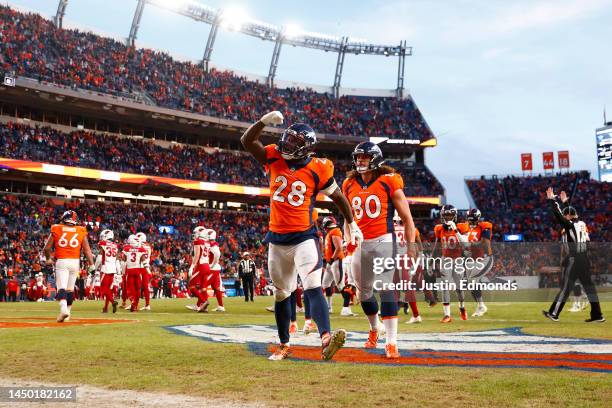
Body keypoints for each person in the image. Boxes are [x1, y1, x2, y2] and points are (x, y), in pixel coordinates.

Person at [241, 110, 362, 361]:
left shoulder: (319, 167)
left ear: (305, 148)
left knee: (313, 286)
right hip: (276, 239)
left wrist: (353, 224)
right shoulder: (274, 155)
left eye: (295, 142)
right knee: (282, 293)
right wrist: (262, 122)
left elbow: (338, 197)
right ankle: (285, 344)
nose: (287, 144)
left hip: (304, 237)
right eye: (287, 138)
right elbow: (247, 141)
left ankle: (326, 339)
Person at [342, 141, 416, 359]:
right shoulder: (348, 183)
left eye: (364, 157)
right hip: (360, 241)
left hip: (384, 239)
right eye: (357, 157)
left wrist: (411, 247)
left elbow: (408, 219)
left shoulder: (389, 180)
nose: (360, 161)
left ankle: (391, 342)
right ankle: (375, 328)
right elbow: (347, 219)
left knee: (385, 287)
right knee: (363, 292)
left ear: (375, 158)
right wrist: (348, 240)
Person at [543, 188, 605, 323]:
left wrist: (553, 200)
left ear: (569, 217)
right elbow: (569, 215)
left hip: (575, 258)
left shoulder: (570, 225)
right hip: (584, 258)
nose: (566, 218)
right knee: (590, 288)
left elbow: (560, 216)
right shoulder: (582, 223)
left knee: (566, 287)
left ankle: (554, 313)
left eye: (567, 216)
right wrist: (565, 203)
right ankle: (597, 315)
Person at [43, 210, 95, 322]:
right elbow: (87, 250)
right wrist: (92, 265)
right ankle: (68, 313)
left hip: (62, 261)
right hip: (75, 262)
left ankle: (63, 310)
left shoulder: (57, 228)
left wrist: (48, 259)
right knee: (70, 289)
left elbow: (47, 248)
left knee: (61, 287)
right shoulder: (81, 230)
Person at [432, 205, 468, 323]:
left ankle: (462, 307)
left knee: (459, 288)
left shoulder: (462, 227)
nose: (448, 218)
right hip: (445, 259)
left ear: (454, 216)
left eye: (450, 215)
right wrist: (432, 260)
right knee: (445, 286)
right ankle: (447, 315)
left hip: (458, 259)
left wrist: (456, 230)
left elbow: (466, 244)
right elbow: (437, 246)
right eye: (445, 215)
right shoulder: (439, 228)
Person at [456, 208, 494, 317]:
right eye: (469, 219)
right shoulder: (465, 228)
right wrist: (464, 250)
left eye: (473, 220)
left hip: (485, 258)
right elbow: (462, 243)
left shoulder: (484, 226)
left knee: (473, 280)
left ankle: (481, 306)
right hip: (472, 260)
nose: (470, 222)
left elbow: (484, 243)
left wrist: (470, 245)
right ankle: (480, 306)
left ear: (478, 218)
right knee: (471, 283)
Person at [321, 216, 356, 316]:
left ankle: (346, 308)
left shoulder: (335, 231)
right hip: (330, 262)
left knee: (340, 285)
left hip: (336, 261)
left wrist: (332, 259)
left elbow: (339, 248)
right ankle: (328, 307)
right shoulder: (330, 232)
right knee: (325, 284)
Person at [186, 226, 211, 312]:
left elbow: (197, 255)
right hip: (207, 266)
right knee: (203, 287)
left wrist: (192, 266)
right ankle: (204, 307)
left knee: (191, 285)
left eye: (195, 233)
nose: (194, 235)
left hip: (201, 266)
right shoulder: (207, 243)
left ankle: (204, 302)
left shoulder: (198, 241)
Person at [121, 234, 148, 312]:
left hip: (129, 270)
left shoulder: (126, 248)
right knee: (137, 289)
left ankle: (132, 300)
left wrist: (123, 272)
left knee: (129, 288)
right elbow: (144, 261)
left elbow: (123, 261)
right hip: (138, 271)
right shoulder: (141, 249)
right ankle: (135, 306)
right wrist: (148, 270)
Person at [95, 229, 120, 314]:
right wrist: (118, 271)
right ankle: (105, 308)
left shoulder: (103, 243)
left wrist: (94, 267)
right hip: (113, 269)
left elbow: (99, 257)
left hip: (105, 268)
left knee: (104, 289)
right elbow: (117, 260)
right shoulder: (115, 245)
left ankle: (113, 302)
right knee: (108, 290)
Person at [207, 228, 225, 312]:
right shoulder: (211, 244)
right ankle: (221, 306)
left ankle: (200, 304)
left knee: (202, 285)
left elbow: (217, 254)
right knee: (216, 288)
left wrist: (212, 264)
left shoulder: (212, 244)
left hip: (212, 269)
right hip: (215, 268)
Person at [135, 232, 153, 311]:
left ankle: (135, 304)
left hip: (140, 267)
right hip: (146, 267)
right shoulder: (149, 247)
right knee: (146, 287)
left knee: (137, 287)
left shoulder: (139, 246)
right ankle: (147, 304)